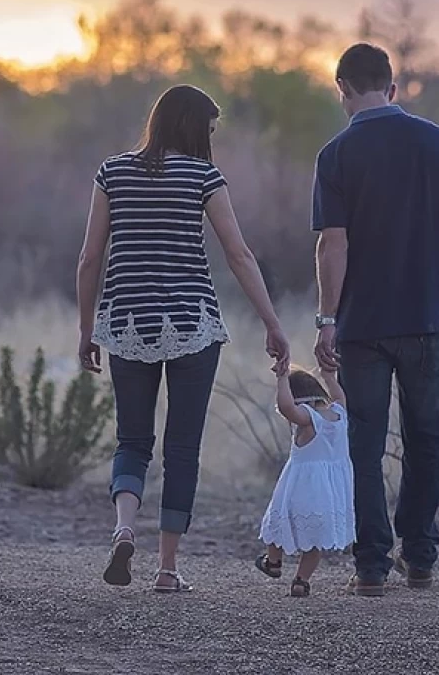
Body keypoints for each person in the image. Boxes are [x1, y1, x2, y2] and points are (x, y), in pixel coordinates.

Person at [76, 84, 291, 593]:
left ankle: (125, 526)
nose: (211, 140)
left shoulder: (112, 172)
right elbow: (239, 255)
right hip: (192, 324)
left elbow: (89, 259)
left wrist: (88, 330)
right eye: (210, 130)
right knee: (183, 448)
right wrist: (272, 323)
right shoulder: (203, 177)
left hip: (126, 323)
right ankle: (168, 569)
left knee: (132, 439)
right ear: (194, 128)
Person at [310, 43, 439, 596]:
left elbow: (331, 245)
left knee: (364, 446)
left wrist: (326, 318)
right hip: (427, 319)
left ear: (341, 88)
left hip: (363, 326)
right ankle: (420, 558)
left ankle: (370, 567)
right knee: (426, 438)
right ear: (393, 88)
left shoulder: (335, 154)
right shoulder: (436, 140)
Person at [254, 367, 355, 598]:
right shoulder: (339, 414)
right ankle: (301, 581)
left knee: (277, 523)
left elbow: (287, 408)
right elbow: (340, 396)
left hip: (300, 489)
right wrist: (330, 376)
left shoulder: (308, 420)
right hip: (328, 494)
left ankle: (274, 562)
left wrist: (281, 379)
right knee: (314, 541)